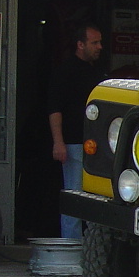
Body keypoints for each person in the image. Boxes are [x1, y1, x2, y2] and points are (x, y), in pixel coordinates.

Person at [47, 23, 103, 240]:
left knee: (95, 200)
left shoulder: (96, 72)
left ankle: (92, 249)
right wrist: (58, 142)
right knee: (74, 197)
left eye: (100, 42)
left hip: (96, 145)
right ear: (80, 44)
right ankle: (71, 249)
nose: (99, 47)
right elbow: (55, 109)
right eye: (94, 43)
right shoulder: (65, 71)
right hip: (73, 143)